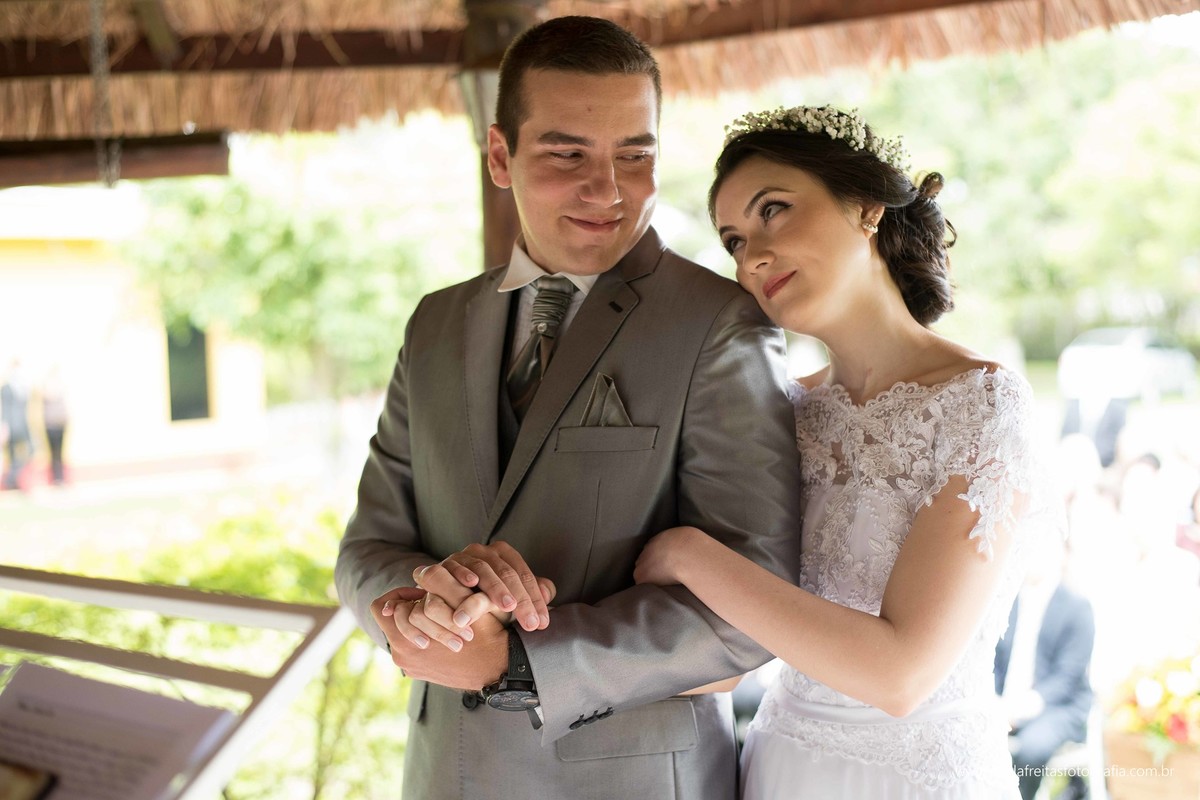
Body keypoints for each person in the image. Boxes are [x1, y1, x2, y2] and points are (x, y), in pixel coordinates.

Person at [334, 16, 801, 800]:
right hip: (443, 774)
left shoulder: (722, 325)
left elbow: (755, 610)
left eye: (635, 154)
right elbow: (366, 547)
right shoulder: (435, 324)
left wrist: (514, 661)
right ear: (498, 155)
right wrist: (420, 602)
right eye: (567, 153)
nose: (607, 189)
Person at [633, 105, 1054, 798]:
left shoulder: (983, 403)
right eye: (733, 241)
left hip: (923, 780)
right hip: (777, 769)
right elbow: (726, 659)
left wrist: (688, 553)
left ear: (865, 207)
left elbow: (900, 675)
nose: (752, 256)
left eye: (773, 211)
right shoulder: (776, 415)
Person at [994, 536, 1095, 800]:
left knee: (1031, 749)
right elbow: (993, 660)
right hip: (1004, 702)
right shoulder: (1007, 600)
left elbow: (1068, 676)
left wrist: (1019, 708)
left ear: (1061, 555)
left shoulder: (1076, 607)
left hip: (1057, 707)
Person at [1, 358, 34, 491]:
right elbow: (5, 409)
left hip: (23, 425)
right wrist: (4, 426)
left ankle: (12, 478)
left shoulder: (23, 387)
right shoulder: (6, 388)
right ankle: (11, 481)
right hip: (11, 426)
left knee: (31, 449)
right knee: (12, 453)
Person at [40, 365, 69, 486]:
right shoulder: (46, 389)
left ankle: (60, 477)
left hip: (60, 423)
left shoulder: (61, 386)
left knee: (59, 452)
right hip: (51, 424)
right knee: (53, 452)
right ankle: (55, 478)